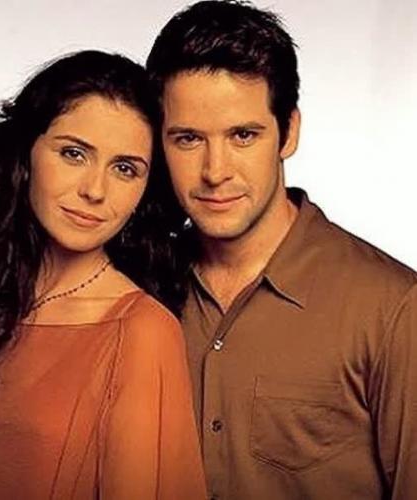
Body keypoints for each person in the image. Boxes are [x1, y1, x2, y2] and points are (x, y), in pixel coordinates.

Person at [146, 1, 417, 499]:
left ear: (288, 132)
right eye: (188, 139)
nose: (215, 171)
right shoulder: (141, 285)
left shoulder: (394, 308)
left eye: (243, 135)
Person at [0, 50, 206, 499]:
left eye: (125, 168)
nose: (95, 190)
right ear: (25, 156)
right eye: (74, 153)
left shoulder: (142, 332)